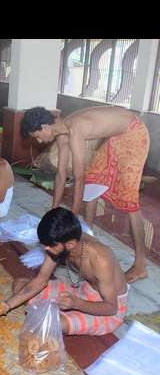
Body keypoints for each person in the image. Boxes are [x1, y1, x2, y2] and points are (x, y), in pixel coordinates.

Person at [21, 106, 150, 283]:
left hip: (134, 132)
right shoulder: (61, 132)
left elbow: (78, 178)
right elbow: (61, 175)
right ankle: (88, 233)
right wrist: (53, 211)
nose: (39, 141)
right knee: (93, 179)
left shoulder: (75, 129)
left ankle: (140, 265)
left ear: (44, 127)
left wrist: (70, 224)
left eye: (37, 136)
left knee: (129, 200)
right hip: (116, 136)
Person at [0, 207, 129, 336]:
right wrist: (6, 305)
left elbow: (111, 308)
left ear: (70, 244)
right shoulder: (59, 243)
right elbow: (40, 281)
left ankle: (60, 314)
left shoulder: (101, 258)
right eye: (45, 245)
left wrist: (76, 304)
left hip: (107, 308)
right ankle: (58, 311)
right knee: (19, 284)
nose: (46, 249)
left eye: (50, 246)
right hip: (82, 290)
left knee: (55, 323)